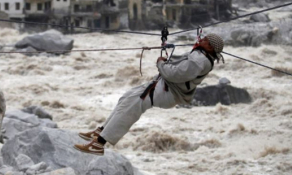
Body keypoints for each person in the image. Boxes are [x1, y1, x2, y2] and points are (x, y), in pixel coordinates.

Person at [74, 33, 225, 156]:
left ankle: (99, 144)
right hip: (164, 86)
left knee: (132, 107)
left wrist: (160, 63)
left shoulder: (199, 60)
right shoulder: (201, 55)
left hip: (168, 92)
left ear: (210, 47)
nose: (201, 39)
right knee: (126, 98)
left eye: (205, 40)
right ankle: (100, 131)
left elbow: (175, 74)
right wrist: (166, 60)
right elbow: (181, 65)